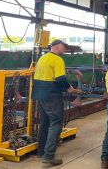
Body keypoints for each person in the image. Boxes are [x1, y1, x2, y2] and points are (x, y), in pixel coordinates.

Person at [32, 39, 76, 167]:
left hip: (40, 94)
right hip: (51, 94)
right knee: (56, 123)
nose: (65, 49)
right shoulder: (58, 60)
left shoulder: (43, 58)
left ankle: (41, 152)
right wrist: (68, 88)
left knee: (45, 122)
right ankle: (48, 157)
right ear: (57, 47)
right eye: (63, 47)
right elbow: (60, 78)